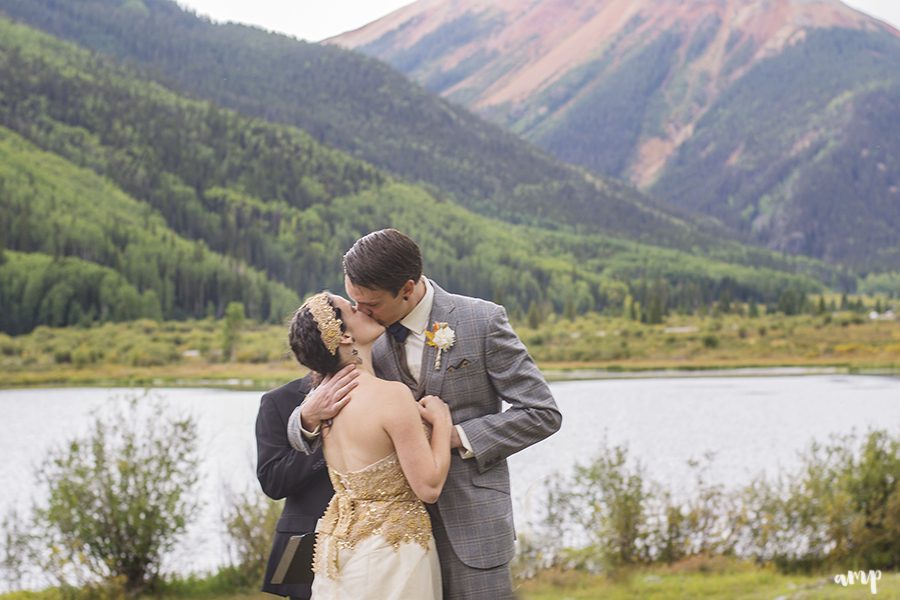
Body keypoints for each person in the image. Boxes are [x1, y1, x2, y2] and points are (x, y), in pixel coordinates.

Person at [289, 228, 562, 599]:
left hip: (471, 527)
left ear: (407, 287)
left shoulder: (481, 321)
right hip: (386, 542)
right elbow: (310, 411)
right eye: (354, 301)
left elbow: (541, 412)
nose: (361, 311)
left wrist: (451, 435)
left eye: (370, 304)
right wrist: (305, 416)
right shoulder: (362, 335)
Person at [288, 291, 453, 599]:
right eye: (353, 309)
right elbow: (428, 486)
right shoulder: (390, 395)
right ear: (346, 336)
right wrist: (442, 422)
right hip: (396, 554)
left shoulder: (323, 405)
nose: (365, 309)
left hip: (340, 552)